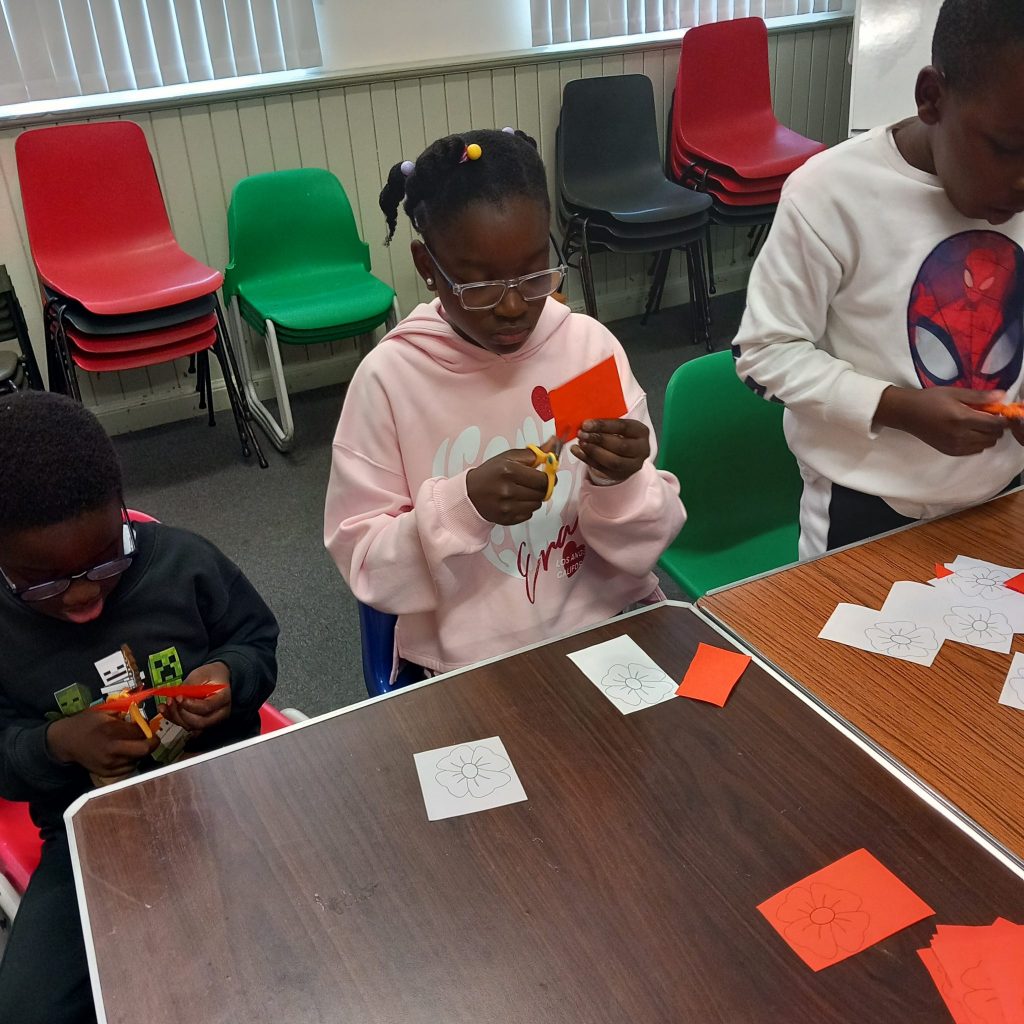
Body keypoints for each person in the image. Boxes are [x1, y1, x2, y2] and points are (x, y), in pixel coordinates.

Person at [324, 127, 684, 676]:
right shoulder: (390, 381)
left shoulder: (585, 350)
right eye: (479, 285)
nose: (514, 306)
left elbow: (643, 548)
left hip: (607, 627)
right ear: (427, 267)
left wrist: (621, 482)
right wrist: (463, 506)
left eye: (534, 274)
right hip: (469, 665)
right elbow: (368, 567)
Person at [0, 392, 279, 1024]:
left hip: (226, 790)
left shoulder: (186, 564)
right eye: (43, 582)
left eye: (105, 560)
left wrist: (228, 677)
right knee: (28, 1010)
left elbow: (256, 641)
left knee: (302, 930)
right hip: (92, 833)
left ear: (122, 511)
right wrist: (57, 745)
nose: (81, 594)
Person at [733, 0, 1024, 558]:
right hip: (863, 509)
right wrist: (896, 407)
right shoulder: (829, 195)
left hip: (1001, 495)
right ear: (931, 97)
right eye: (1007, 149)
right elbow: (764, 353)